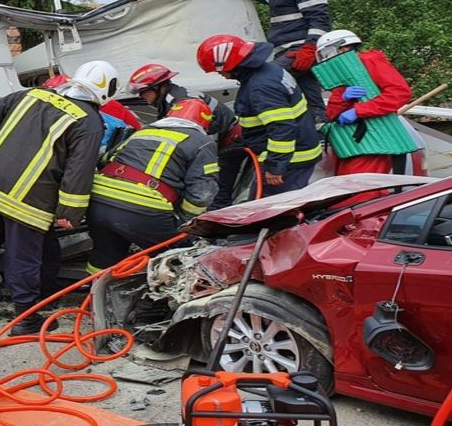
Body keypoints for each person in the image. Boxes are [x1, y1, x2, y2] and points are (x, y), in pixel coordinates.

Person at [0, 60, 117, 333]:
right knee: (24, 258)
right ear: (106, 90)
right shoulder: (89, 122)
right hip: (29, 201)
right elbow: (78, 172)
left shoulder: (31, 95)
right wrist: (69, 214)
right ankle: (26, 318)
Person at [85, 98, 219, 275]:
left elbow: (106, 159)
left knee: (106, 253)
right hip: (142, 209)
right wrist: (185, 224)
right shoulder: (202, 141)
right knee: (178, 255)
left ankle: (93, 294)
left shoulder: (144, 132)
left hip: (98, 202)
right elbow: (202, 193)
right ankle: (173, 297)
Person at [203, 0, 330, 124]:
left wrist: (309, 49)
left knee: (261, 78)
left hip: (299, 52)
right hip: (289, 53)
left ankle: (247, 124)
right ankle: (323, 132)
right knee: (310, 98)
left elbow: (320, 22)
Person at [196, 35, 322, 197]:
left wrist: (275, 168)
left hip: (290, 162)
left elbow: (282, 127)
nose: (221, 75)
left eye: (219, 70)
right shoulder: (269, 70)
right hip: (295, 154)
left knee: (270, 214)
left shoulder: (261, 88)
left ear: (230, 63)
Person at [126, 63, 240, 209]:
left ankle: (218, 224)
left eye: (143, 92)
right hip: (216, 142)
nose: (141, 97)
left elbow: (198, 143)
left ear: (157, 87)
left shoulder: (184, 103)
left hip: (228, 146)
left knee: (214, 193)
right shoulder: (172, 98)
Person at [316, 29, 414, 175]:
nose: (327, 58)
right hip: (352, 142)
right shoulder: (344, 72)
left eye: (328, 53)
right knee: (350, 188)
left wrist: (359, 110)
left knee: (363, 192)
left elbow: (399, 93)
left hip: (375, 138)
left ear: (344, 48)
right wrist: (343, 99)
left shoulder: (370, 61)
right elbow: (331, 113)